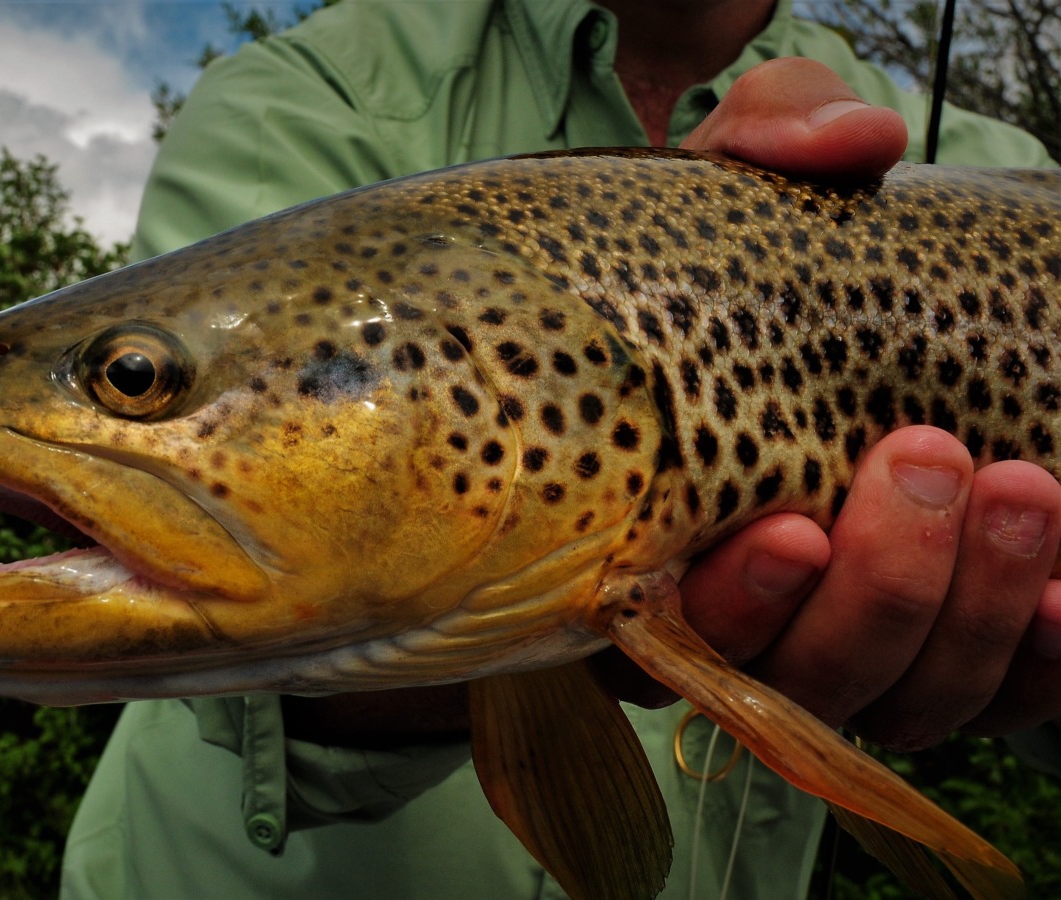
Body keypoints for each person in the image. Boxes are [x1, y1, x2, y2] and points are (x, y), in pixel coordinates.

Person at [61, 1, 1061, 896]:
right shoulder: (308, 93)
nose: (138, 390)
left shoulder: (977, 166)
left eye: (137, 379)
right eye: (135, 380)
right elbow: (238, 570)